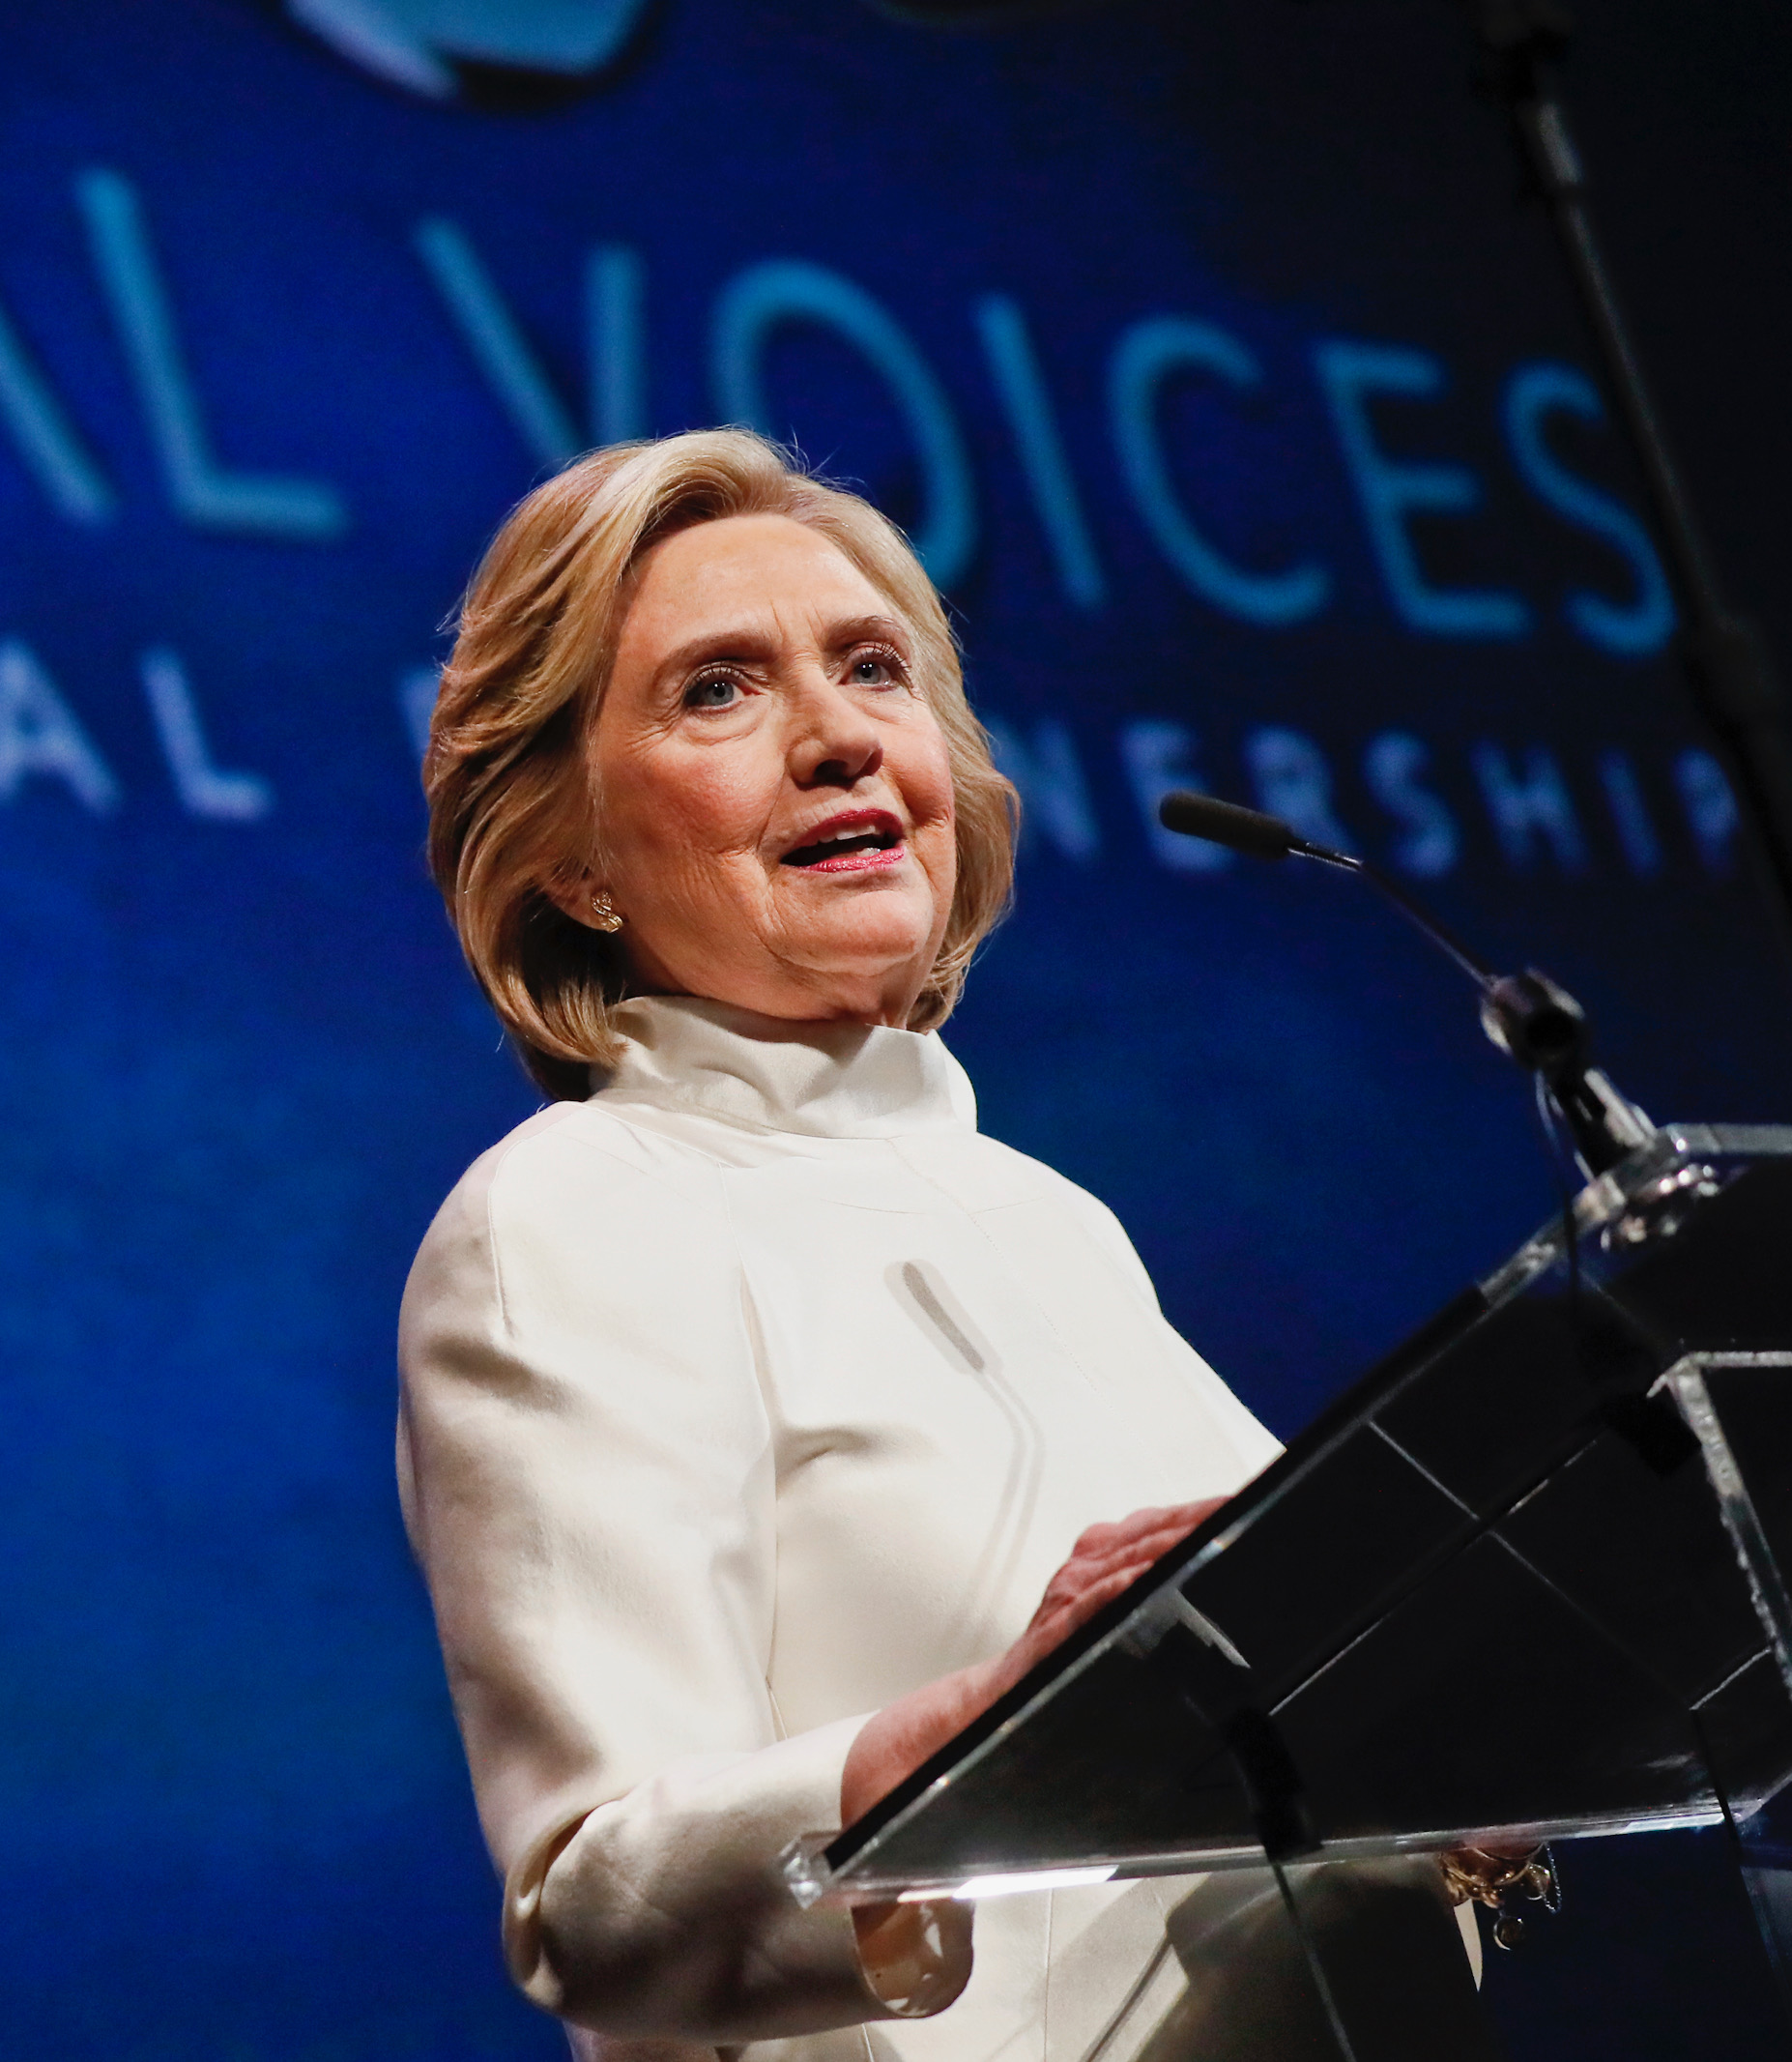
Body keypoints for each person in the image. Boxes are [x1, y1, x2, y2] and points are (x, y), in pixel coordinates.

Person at [397, 430, 1489, 2062]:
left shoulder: (1047, 1216)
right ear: (570, 854)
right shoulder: (569, 1210)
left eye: (874, 668)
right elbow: (597, 1899)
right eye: (719, 689)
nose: (839, 736)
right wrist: (998, 1731)